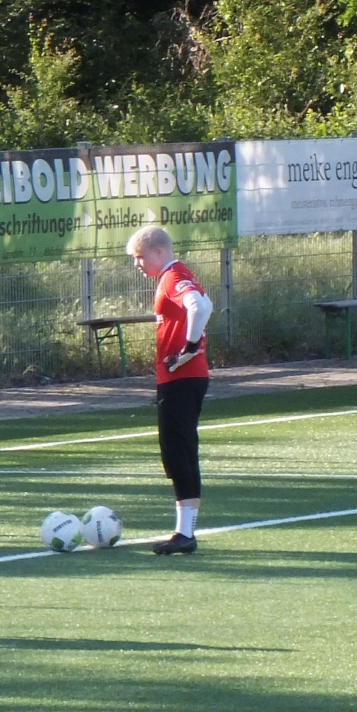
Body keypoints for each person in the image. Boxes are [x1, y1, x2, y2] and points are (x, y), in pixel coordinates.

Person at [129, 224, 213, 556]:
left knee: (177, 451)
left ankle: (185, 533)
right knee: (182, 450)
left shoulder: (172, 276)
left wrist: (189, 347)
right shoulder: (180, 274)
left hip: (181, 378)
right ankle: (185, 532)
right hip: (186, 377)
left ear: (158, 251)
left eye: (140, 256)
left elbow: (199, 307)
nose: (137, 264)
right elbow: (206, 303)